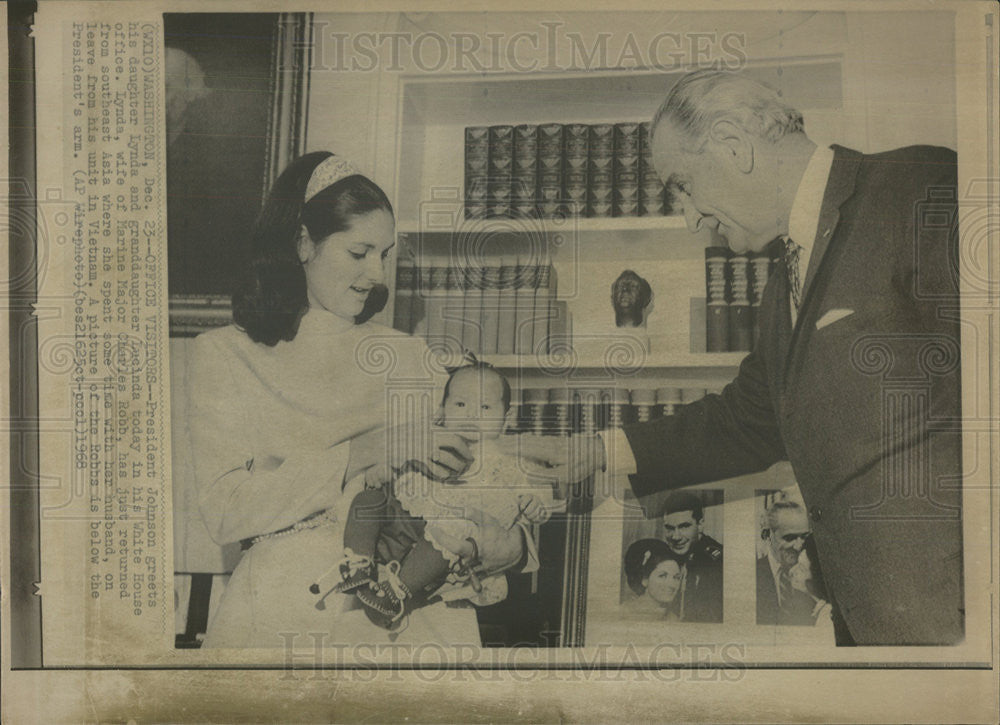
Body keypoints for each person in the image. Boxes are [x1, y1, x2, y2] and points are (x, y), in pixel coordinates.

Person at [503, 69, 963, 646]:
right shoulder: (780, 288)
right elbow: (749, 419)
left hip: (957, 621)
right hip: (874, 629)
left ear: (733, 145)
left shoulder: (918, 185)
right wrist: (593, 451)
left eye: (684, 185)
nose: (690, 217)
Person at [186, 152, 525, 648]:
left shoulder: (416, 359)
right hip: (283, 609)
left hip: (414, 617)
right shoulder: (223, 354)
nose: (377, 274)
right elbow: (225, 513)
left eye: (385, 254)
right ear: (304, 242)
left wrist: (509, 544)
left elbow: (486, 485)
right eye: (359, 252)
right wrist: (372, 449)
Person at [312, 361, 558, 630]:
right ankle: (358, 565)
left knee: (446, 541)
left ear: (506, 418)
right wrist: (383, 471)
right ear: (442, 411)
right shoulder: (428, 442)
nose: (471, 416)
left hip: (443, 537)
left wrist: (533, 504)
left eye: (485, 408)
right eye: (461, 405)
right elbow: (397, 465)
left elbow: (529, 496)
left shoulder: (504, 463)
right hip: (403, 519)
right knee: (367, 501)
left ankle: (395, 594)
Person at [659, 491, 723, 623]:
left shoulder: (718, 561)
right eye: (669, 528)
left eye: (684, 526)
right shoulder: (663, 558)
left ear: (700, 525)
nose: (675, 536)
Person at [756, 499, 822, 626]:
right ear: (767, 535)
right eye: (789, 538)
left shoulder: (817, 575)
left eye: (804, 537)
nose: (798, 546)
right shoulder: (751, 575)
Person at [622, 539, 684, 621]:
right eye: (662, 576)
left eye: (676, 577)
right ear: (644, 579)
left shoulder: (673, 619)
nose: (672, 584)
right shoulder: (624, 614)